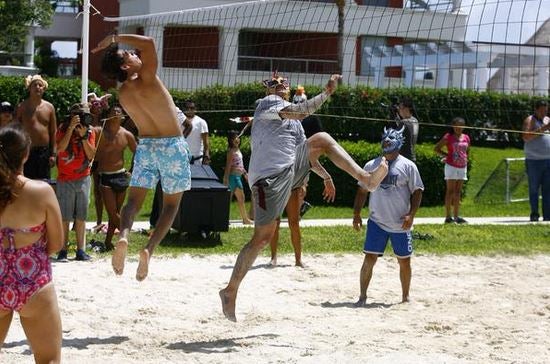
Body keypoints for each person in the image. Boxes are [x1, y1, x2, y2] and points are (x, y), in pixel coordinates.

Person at [219, 72, 389, 322]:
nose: (280, 86)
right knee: (261, 239)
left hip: (289, 172)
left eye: (283, 83)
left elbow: (309, 155)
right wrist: (327, 93)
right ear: (269, 90)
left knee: (321, 139)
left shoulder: (294, 123)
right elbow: (299, 111)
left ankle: (365, 178)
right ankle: (230, 290)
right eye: (275, 84)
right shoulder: (267, 104)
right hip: (269, 179)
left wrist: (326, 176)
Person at [93, 33, 191, 281]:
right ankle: (148, 249)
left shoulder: (124, 93)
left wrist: (116, 47)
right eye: (129, 54)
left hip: (147, 145)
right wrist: (113, 37)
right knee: (170, 205)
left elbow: (142, 50)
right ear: (126, 66)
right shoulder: (147, 78)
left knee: (132, 203)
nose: (135, 54)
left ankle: (124, 235)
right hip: (172, 144)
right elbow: (148, 42)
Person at [0, 124, 63, 363]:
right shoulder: (41, 191)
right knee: (48, 359)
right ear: (26, 155)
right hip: (33, 279)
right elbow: (56, 244)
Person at [352, 126, 424, 305]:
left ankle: (405, 296)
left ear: (399, 142)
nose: (386, 141)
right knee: (369, 258)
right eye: (385, 139)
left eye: (390, 139)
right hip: (377, 221)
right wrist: (356, 214)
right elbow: (362, 191)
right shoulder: (371, 165)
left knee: (404, 262)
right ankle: (362, 296)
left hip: (401, 223)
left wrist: (411, 215)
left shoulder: (408, 166)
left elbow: (418, 191)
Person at [268, 90, 333, 267]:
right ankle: (273, 257)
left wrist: (316, 179)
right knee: (275, 220)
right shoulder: (274, 120)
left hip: (294, 178)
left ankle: (298, 259)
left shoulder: (298, 126)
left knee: (294, 221)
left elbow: (306, 156)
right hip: (277, 177)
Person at [55, 103, 96, 262]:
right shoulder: (63, 128)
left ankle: (81, 250)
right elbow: (60, 148)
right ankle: (63, 250)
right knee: (65, 217)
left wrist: (84, 136)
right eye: (77, 115)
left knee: (81, 216)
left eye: (83, 114)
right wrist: (71, 129)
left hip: (83, 178)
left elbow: (91, 154)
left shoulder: (90, 130)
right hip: (65, 178)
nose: (81, 118)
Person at [94, 105, 137, 251]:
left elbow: (138, 153)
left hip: (121, 175)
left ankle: (108, 242)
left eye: (118, 112)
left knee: (117, 212)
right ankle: (125, 238)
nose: (116, 113)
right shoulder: (100, 131)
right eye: (113, 112)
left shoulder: (126, 135)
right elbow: (90, 130)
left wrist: (131, 170)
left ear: (122, 117)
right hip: (105, 176)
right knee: (112, 212)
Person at [16, 75, 57, 180]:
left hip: (44, 152)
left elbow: (53, 132)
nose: (38, 87)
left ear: (44, 89)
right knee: (28, 183)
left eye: (40, 85)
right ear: (29, 88)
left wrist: (53, 154)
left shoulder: (49, 107)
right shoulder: (22, 107)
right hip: (27, 151)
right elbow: (16, 130)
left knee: (44, 183)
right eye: (35, 85)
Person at [434, 117, 470, 224]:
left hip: (462, 166)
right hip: (451, 166)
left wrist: (464, 159)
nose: (459, 128)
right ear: (453, 126)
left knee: (458, 192)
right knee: (450, 191)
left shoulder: (466, 137)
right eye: (456, 125)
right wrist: (447, 156)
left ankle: (457, 216)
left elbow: (467, 151)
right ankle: (448, 217)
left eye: (461, 125)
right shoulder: (448, 137)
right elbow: (437, 148)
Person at [522, 100, 550, 222]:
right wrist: (544, 128)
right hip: (534, 161)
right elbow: (526, 137)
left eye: (546, 110)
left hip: (548, 160)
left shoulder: (547, 120)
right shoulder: (530, 120)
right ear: (536, 109)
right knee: (534, 188)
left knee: (547, 189)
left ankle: (547, 215)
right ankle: (534, 213)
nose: (544, 112)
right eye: (542, 110)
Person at [88, 92, 112, 233]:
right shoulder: (87, 118)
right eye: (94, 105)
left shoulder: (104, 122)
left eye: (99, 105)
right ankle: (76, 221)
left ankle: (99, 221)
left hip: (99, 159)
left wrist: (105, 103)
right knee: (82, 190)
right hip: (87, 157)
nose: (97, 107)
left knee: (98, 191)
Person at [223, 131, 253, 225]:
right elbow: (228, 166)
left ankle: (227, 219)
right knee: (240, 198)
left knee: (233, 199)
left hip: (238, 177)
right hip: (233, 177)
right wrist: (226, 179)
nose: (237, 139)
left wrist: (245, 173)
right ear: (231, 140)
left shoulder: (238, 150)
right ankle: (244, 219)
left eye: (238, 138)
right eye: (235, 138)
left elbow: (240, 165)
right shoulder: (231, 151)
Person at [390, 96, 419, 162]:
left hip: (403, 158)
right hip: (411, 156)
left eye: (400, 108)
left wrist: (392, 114)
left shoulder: (404, 123)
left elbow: (393, 137)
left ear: (406, 109)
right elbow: (404, 127)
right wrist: (396, 115)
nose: (399, 110)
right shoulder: (414, 120)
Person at [182, 99, 210, 164]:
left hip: (197, 159)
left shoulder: (201, 122)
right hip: (182, 158)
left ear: (195, 109)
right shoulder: (178, 121)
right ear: (184, 109)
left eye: (192, 108)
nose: (189, 110)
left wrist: (207, 155)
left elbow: (206, 142)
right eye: (187, 108)